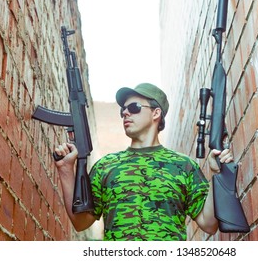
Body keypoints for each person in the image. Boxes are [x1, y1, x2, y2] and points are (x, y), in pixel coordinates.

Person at [54, 83, 234, 241]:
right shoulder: (105, 166)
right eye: (122, 110)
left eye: (134, 107)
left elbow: (209, 224)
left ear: (156, 113)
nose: (125, 112)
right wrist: (66, 170)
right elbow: (81, 222)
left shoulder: (183, 166)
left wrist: (217, 175)